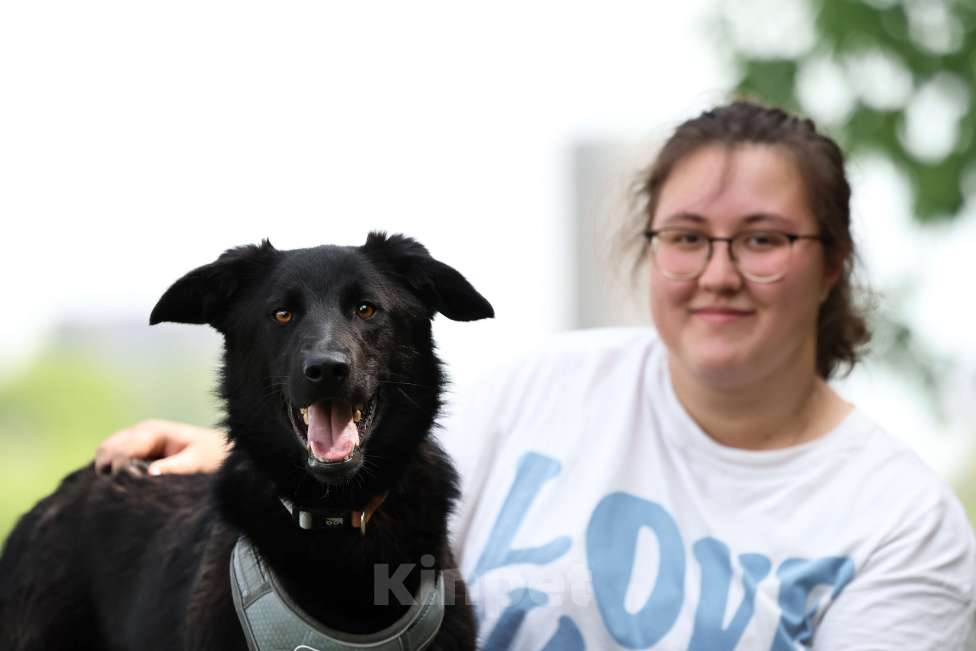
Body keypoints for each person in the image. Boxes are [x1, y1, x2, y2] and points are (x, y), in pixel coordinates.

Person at [96, 101, 976, 650]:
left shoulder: (900, 522)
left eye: (762, 238)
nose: (718, 270)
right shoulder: (550, 388)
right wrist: (229, 451)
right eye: (686, 236)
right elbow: (375, 463)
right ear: (651, 249)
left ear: (832, 263)